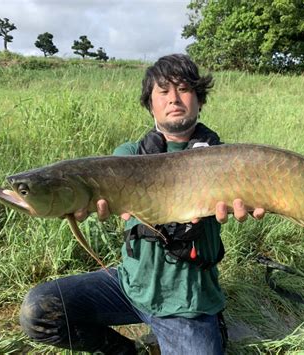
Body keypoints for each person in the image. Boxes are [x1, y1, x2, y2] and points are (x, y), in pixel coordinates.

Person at [19, 54, 265, 354]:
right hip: (129, 286)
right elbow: (93, 185)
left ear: (199, 100)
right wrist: (76, 201)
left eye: (184, 89)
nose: (174, 98)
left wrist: (254, 201)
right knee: (38, 311)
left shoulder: (224, 160)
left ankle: (212, 325)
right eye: (163, 91)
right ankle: (127, 350)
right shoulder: (129, 154)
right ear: (151, 105)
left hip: (188, 302)